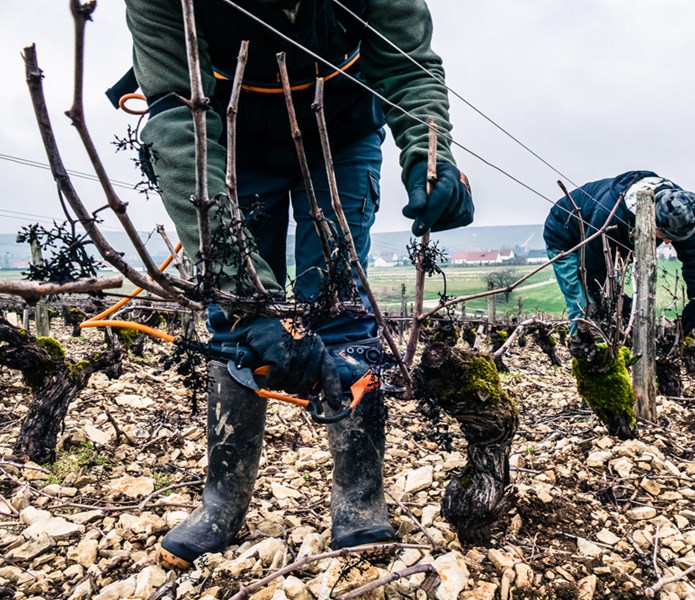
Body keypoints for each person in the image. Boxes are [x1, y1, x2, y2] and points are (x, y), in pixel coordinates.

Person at [122, 0, 474, 569]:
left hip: (343, 132)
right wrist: (245, 303)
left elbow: (408, 66)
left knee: (337, 300)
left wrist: (430, 157)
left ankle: (359, 499)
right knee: (235, 318)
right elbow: (177, 120)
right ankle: (222, 501)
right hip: (229, 136)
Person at [543, 171, 695, 335]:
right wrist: (622, 305)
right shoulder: (610, 215)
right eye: (664, 236)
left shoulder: (679, 209)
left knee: (614, 312)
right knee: (586, 308)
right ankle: (585, 356)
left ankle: (615, 352)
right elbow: (593, 273)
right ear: (650, 219)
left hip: (606, 247)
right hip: (565, 237)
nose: (667, 242)